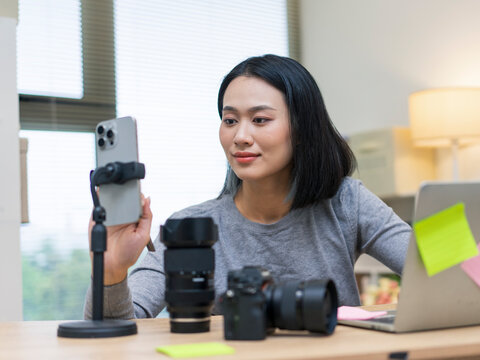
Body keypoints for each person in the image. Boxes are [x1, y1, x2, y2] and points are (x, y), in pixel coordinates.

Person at [84, 54, 411, 319]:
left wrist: (453, 227)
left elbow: (442, 265)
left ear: (302, 128)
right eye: (230, 120)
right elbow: (118, 336)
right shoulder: (191, 227)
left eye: (260, 119)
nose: (239, 136)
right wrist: (111, 271)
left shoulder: (345, 202)